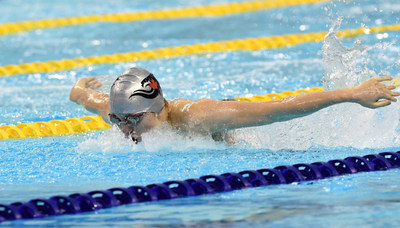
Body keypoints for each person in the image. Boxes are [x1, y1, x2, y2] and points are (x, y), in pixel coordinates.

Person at [70, 67, 400, 144]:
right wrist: (81, 86)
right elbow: (82, 97)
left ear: (157, 108)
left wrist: (351, 93)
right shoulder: (120, 114)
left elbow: (279, 109)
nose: (125, 129)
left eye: (133, 120)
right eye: (117, 119)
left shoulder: (199, 118)